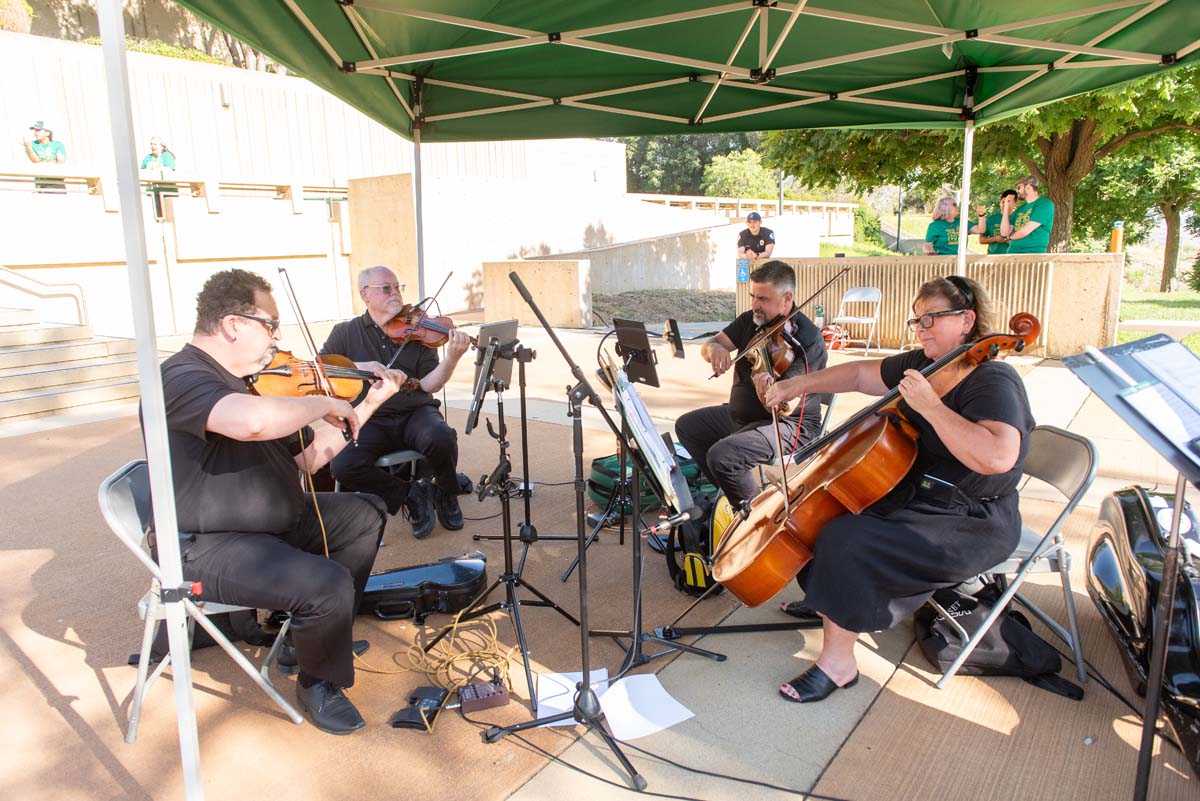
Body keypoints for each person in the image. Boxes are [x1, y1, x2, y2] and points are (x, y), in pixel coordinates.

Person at [153, 268, 407, 735]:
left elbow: (312, 459)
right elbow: (248, 423)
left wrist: (367, 402)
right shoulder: (181, 375)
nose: (277, 336)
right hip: (208, 542)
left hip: (271, 520)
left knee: (364, 512)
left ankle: (308, 638)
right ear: (233, 324)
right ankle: (319, 683)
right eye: (270, 324)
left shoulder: (251, 380)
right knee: (326, 580)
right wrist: (322, 403)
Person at [762, 275, 1034, 703]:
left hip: (971, 518)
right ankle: (831, 600)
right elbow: (857, 374)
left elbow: (998, 456)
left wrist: (931, 407)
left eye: (932, 318)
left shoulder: (992, 379)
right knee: (830, 512)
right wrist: (795, 385)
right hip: (924, 498)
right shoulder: (929, 364)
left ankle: (839, 665)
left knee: (847, 539)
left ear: (967, 320)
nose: (922, 327)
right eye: (917, 320)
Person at [320, 266, 472, 539]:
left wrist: (452, 358)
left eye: (398, 287)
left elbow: (428, 385)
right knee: (342, 466)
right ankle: (408, 495)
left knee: (442, 437)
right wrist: (361, 366)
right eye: (386, 288)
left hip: (415, 412)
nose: (396, 294)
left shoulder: (418, 330)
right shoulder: (345, 332)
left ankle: (447, 493)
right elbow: (322, 367)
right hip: (370, 418)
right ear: (365, 294)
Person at [675, 260, 827, 510]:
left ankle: (757, 515)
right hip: (743, 416)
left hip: (789, 426)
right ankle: (732, 493)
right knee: (689, 427)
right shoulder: (751, 321)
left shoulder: (807, 340)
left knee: (723, 455)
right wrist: (713, 349)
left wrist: (766, 391)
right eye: (753, 296)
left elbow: (786, 406)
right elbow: (713, 342)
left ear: (787, 298)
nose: (755, 305)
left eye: (764, 299)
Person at [1001, 175, 1055, 254]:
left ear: (1028, 187)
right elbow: (1004, 233)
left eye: (1019, 187)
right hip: (1012, 252)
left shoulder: (1045, 204)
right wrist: (1006, 209)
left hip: (1033, 254)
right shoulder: (1020, 209)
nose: (1018, 191)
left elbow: (1025, 231)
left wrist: (1010, 237)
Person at [970, 189, 1017, 254]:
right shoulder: (991, 219)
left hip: (1012, 257)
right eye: (1003, 202)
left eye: (1008, 202)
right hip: (993, 257)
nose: (1005, 204)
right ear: (1000, 202)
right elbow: (981, 240)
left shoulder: (1018, 218)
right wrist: (995, 239)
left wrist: (1009, 241)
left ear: (1015, 203)